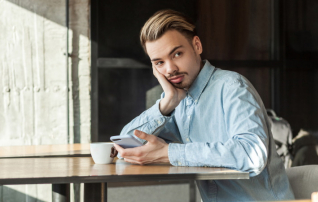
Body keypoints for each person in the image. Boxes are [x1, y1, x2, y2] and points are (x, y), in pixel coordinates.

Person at [113, 9, 295, 201]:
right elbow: (124, 143)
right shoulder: (178, 101)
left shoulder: (232, 87)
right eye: (159, 63)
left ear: (197, 46)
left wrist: (169, 153)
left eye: (177, 54)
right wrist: (166, 103)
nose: (170, 69)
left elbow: (251, 155)